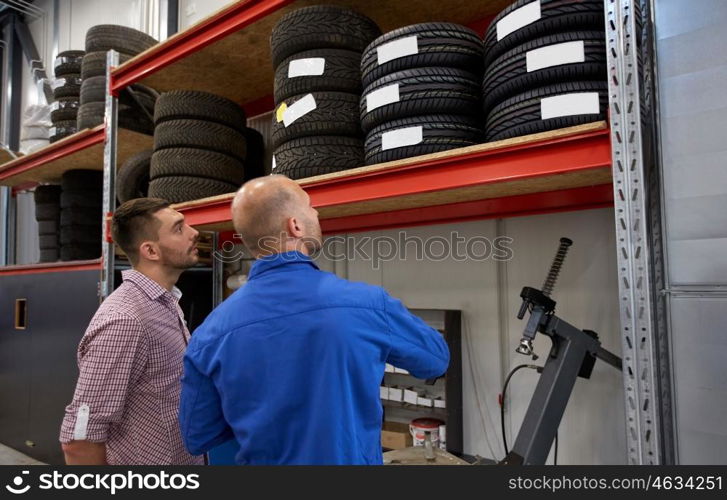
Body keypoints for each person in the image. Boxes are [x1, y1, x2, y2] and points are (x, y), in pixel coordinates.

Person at [179, 175, 449, 465]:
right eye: (310, 206)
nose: (317, 213)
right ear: (295, 225)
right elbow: (435, 359)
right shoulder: (367, 304)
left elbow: (198, 435)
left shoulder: (210, 333)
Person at [59, 198, 204, 465]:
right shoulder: (126, 321)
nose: (194, 233)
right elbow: (80, 441)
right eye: (179, 228)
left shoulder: (164, 304)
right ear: (150, 250)